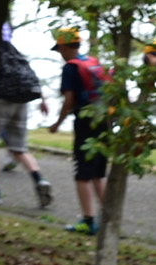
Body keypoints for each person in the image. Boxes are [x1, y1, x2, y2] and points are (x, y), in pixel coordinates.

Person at [48, 28, 111, 234]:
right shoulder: (93, 62)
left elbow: (69, 100)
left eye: (59, 49)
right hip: (104, 121)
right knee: (98, 173)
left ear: (65, 46)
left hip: (85, 123)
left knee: (82, 174)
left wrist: (57, 123)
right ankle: (110, 218)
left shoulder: (70, 68)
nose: (60, 53)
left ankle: (88, 220)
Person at [0, 35, 52, 207]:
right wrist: (42, 100)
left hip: (1, 101)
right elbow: (29, 75)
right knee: (19, 149)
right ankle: (39, 180)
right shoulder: (13, 51)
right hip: (22, 102)